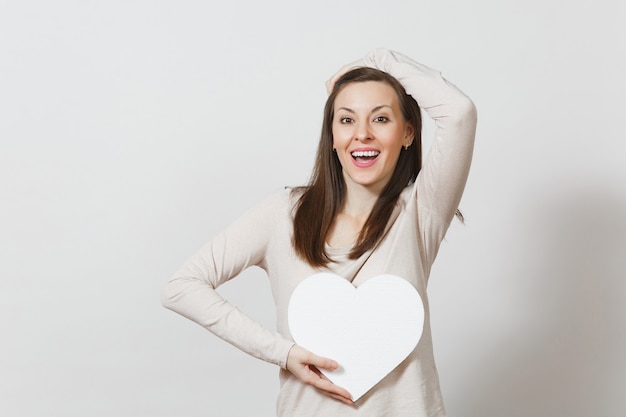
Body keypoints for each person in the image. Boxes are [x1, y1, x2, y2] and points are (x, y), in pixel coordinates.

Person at [162, 48, 477, 416]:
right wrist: (284, 353)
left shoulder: (422, 211)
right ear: (331, 136)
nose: (362, 134)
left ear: (408, 133)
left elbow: (460, 113)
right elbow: (181, 286)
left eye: (380, 118)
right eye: (346, 120)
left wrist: (380, 61)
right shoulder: (283, 214)